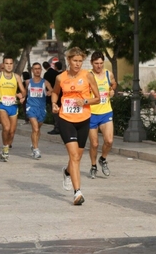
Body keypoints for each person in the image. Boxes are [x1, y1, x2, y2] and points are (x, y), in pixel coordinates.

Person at [51, 47, 100, 205]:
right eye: (75, 61)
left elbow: (98, 98)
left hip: (83, 119)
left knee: (77, 157)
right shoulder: (61, 77)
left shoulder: (88, 75)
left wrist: (85, 101)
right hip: (66, 119)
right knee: (74, 156)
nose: (78, 64)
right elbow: (55, 92)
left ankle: (67, 172)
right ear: (69, 61)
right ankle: (77, 192)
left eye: (80, 61)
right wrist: (53, 103)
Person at [0, 56, 26, 162]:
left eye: (11, 64)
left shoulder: (17, 77)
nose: (9, 66)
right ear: (3, 65)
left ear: (13, 65)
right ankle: (5, 149)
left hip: (13, 106)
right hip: (1, 105)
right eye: (7, 63)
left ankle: (5, 147)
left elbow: (23, 91)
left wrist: (21, 95)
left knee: (12, 131)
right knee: (6, 127)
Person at [88, 51, 117, 179]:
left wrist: (112, 90)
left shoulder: (107, 73)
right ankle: (93, 165)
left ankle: (103, 159)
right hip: (92, 113)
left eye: (101, 63)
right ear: (91, 63)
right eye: (96, 63)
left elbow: (114, 83)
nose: (99, 66)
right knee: (94, 144)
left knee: (109, 141)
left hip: (106, 112)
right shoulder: (88, 75)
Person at [25, 62, 53, 159]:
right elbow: (24, 92)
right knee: (35, 129)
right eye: (35, 69)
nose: (37, 70)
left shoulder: (45, 82)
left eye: (39, 68)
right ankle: (36, 150)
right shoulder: (28, 82)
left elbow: (52, 90)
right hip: (31, 108)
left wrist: (50, 92)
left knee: (37, 130)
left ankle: (33, 145)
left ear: (41, 70)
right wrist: (21, 96)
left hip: (41, 109)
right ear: (32, 70)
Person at [44, 61, 61, 135]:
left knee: (54, 112)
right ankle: (60, 127)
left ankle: (57, 128)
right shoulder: (56, 73)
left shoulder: (47, 74)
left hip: (51, 95)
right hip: (60, 95)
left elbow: (45, 85)